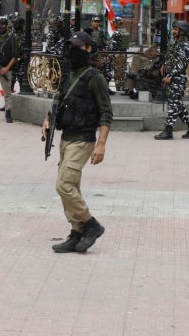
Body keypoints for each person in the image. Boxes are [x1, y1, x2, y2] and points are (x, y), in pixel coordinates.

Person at [42, 31, 111, 254]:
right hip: (66, 138)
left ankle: (91, 225)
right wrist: (48, 120)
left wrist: (101, 144)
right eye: (70, 46)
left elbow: (106, 113)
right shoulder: (68, 74)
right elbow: (58, 102)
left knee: (63, 185)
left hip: (83, 139)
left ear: (89, 49)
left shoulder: (95, 78)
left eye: (78, 47)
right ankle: (77, 231)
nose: (72, 51)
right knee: (72, 187)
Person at [154, 20, 189, 140]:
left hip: (178, 78)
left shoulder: (185, 45)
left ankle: (168, 131)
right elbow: (172, 58)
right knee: (177, 104)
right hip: (173, 77)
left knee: (173, 104)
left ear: (182, 32)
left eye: (176, 29)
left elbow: (181, 64)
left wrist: (169, 76)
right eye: (174, 29)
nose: (174, 31)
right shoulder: (176, 43)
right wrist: (164, 65)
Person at [89, 16, 114, 93]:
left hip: (100, 52)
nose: (96, 23)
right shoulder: (88, 31)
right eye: (95, 21)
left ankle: (106, 87)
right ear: (91, 22)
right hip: (91, 53)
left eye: (97, 22)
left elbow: (105, 43)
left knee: (107, 66)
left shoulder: (102, 32)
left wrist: (106, 53)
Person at [12, 17, 29, 94]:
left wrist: (22, 56)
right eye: (14, 23)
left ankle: (22, 92)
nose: (15, 25)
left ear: (21, 24)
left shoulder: (26, 35)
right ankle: (9, 100)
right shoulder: (11, 34)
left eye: (16, 23)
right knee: (10, 80)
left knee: (21, 78)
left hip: (21, 60)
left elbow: (29, 47)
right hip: (12, 60)